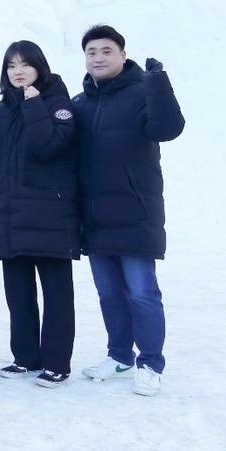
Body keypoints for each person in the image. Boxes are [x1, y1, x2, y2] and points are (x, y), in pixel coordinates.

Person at [71, 25, 184, 397]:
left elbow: (169, 128)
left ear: (123, 54)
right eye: (92, 52)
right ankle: (119, 355)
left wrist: (159, 83)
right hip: (96, 217)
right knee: (109, 294)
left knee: (142, 294)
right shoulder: (80, 103)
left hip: (136, 213)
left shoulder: (142, 92)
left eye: (106, 51)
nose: (98, 58)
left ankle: (150, 362)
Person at [0, 42, 79, 388]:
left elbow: (47, 145)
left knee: (57, 296)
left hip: (51, 216)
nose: (17, 72)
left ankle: (57, 363)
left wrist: (33, 102)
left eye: (24, 65)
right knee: (18, 294)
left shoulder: (60, 105)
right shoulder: (2, 111)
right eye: (10, 66)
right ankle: (25, 357)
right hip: (10, 215)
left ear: (40, 67)